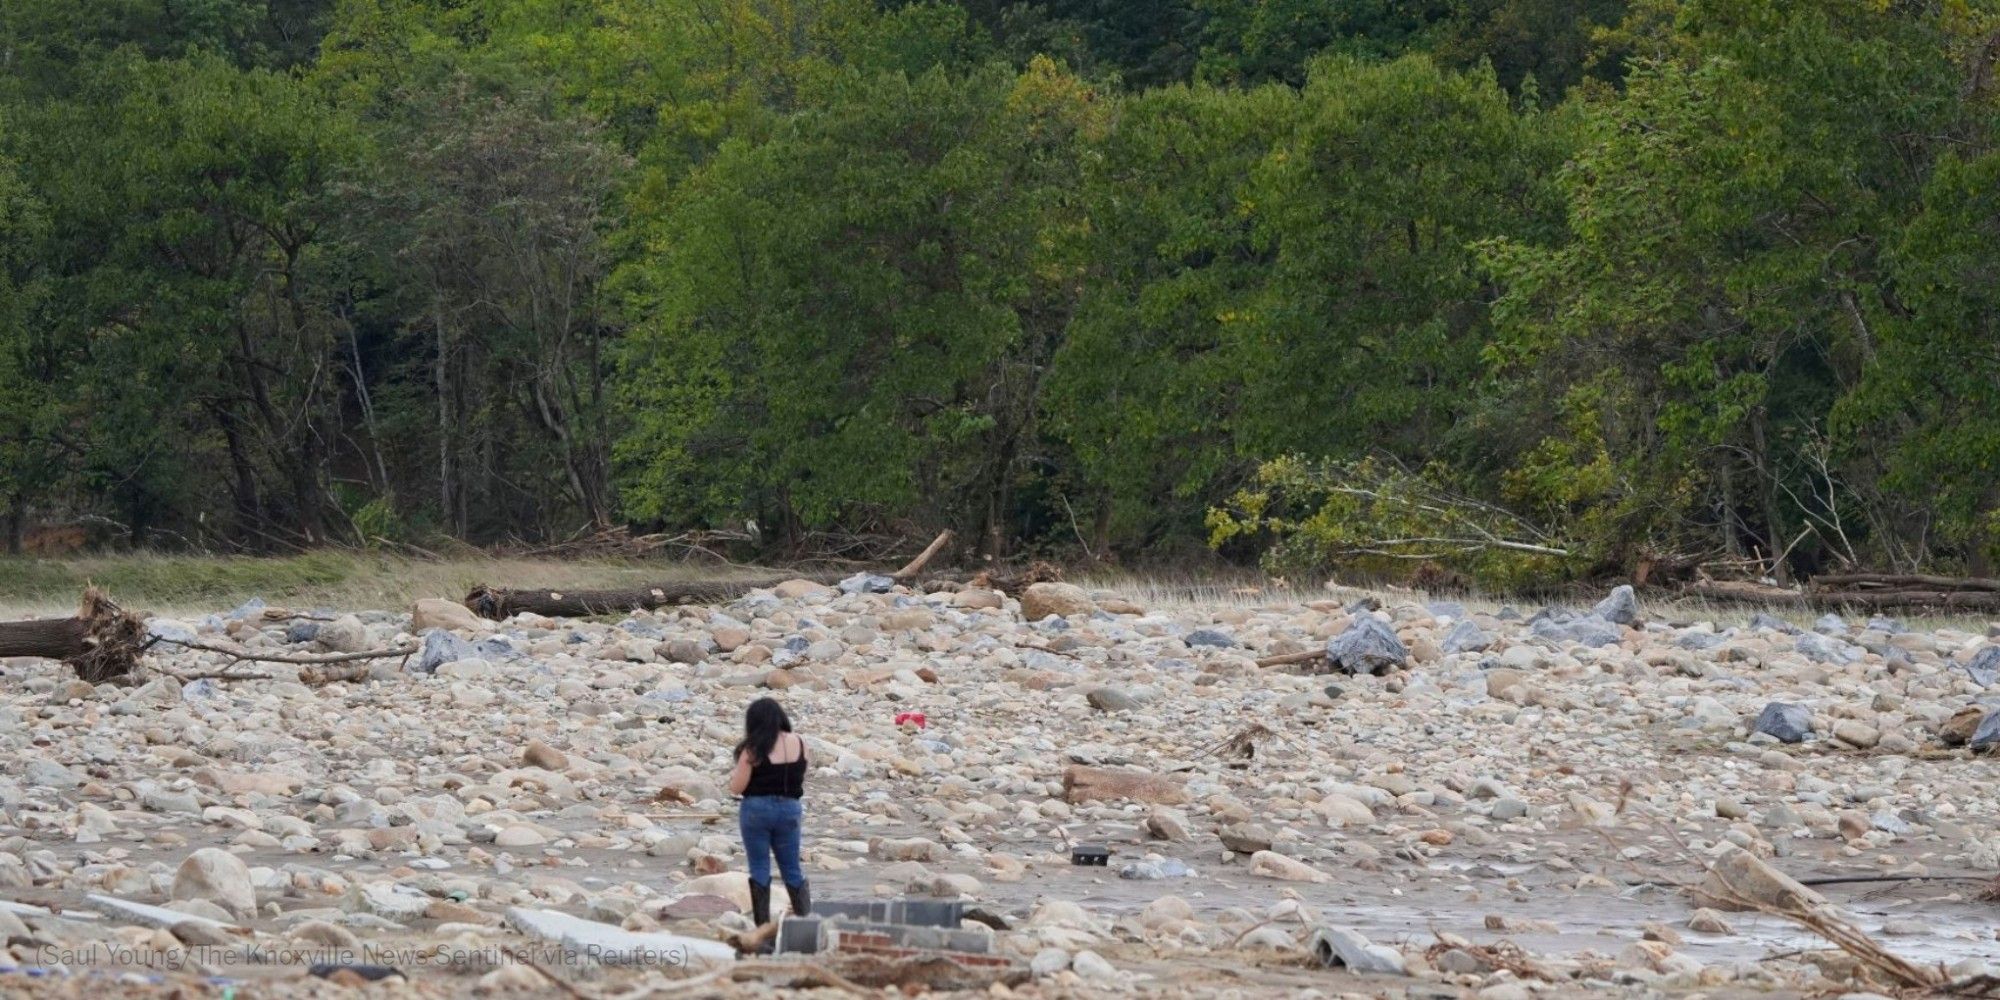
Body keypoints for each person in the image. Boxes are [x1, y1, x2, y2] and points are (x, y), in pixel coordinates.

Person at [727, 697, 810, 926]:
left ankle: (761, 929)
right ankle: (806, 923)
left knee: (760, 867)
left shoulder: (752, 748)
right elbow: (800, 775)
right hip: (790, 810)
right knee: (792, 868)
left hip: (757, 810)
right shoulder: (801, 743)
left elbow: (737, 788)